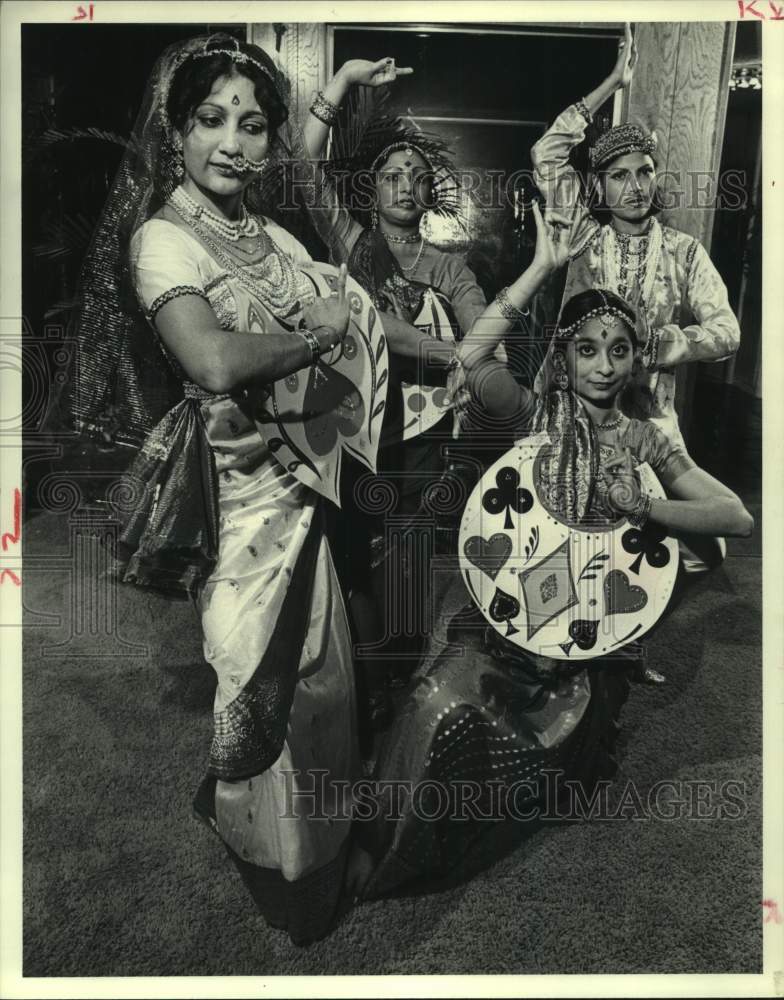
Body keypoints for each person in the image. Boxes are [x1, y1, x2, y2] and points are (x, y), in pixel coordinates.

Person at [70, 33, 385, 946]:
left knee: (322, 680)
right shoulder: (163, 238)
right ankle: (285, 871)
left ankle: (302, 842)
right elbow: (210, 358)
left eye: (253, 124)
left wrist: (451, 352)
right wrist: (319, 338)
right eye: (211, 120)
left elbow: (341, 301)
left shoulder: (269, 232)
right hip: (239, 501)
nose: (232, 143)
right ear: (176, 131)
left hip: (303, 490)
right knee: (257, 678)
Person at [354, 201, 752, 899]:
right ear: (563, 358)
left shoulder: (643, 439)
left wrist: (648, 506)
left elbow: (736, 519)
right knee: (432, 704)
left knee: (542, 767)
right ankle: (387, 852)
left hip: (580, 651)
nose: (603, 365)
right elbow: (473, 354)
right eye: (586, 348)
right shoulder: (529, 416)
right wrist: (543, 266)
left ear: (635, 362)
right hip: (502, 628)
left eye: (619, 349)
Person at [302, 58, 516, 730]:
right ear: (371, 189)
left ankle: (396, 691)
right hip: (349, 429)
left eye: (417, 179)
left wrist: (485, 364)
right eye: (391, 175)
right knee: (350, 563)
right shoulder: (351, 243)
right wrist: (340, 85)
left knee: (409, 564)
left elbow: (485, 332)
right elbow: (305, 166)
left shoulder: (449, 266)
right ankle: (360, 690)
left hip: (419, 435)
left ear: (429, 198)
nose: (404, 185)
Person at [530, 25, 740, 487]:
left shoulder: (684, 253)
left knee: (696, 544)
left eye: (644, 173)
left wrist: (665, 342)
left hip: (650, 414)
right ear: (601, 187)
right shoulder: (582, 233)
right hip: (572, 409)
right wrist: (613, 83)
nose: (635, 187)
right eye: (620, 176)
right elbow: (547, 153)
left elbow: (728, 332)